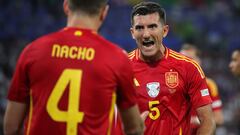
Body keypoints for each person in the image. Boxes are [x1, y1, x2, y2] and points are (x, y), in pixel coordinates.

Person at [3, 0, 144, 135]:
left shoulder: (32, 51)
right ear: (104, 12)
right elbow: (133, 128)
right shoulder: (117, 58)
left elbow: (11, 127)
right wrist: (139, 127)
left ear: (66, 6)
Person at [128, 1, 215, 135]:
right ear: (132, 33)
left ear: (165, 31)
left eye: (152, 27)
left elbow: (207, 121)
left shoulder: (188, 67)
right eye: (140, 28)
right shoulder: (122, 67)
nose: (146, 34)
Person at [180, 43, 224, 134]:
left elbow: (219, 119)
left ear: (199, 62)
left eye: (189, 59)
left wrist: (197, 121)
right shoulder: (170, 85)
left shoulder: (209, 85)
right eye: (181, 59)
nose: (184, 63)